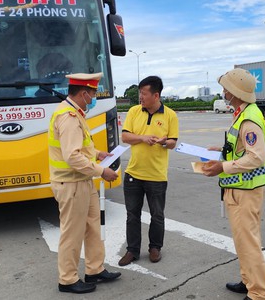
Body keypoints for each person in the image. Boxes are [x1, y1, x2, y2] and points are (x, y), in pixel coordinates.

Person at [48, 72, 121, 294]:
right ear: (84, 94)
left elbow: (81, 148)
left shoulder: (75, 112)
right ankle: (68, 279)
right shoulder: (68, 117)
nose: (94, 98)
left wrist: (97, 153)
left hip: (82, 182)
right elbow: (72, 157)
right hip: (71, 184)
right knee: (72, 233)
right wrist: (102, 171)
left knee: (92, 227)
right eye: (93, 94)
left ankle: (94, 270)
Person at [201, 68, 265, 300]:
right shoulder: (243, 113)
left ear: (235, 91)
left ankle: (258, 293)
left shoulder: (249, 119)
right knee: (243, 241)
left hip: (246, 191)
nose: (223, 92)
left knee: (248, 243)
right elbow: (239, 149)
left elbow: (256, 156)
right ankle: (248, 280)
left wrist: (222, 167)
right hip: (240, 189)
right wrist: (220, 151)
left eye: (226, 88)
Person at [118, 76, 179, 266]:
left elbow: (173, 142)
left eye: (144, 94)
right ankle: (132, 250)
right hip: (134, 173)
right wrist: (143, 138)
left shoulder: (170, 115)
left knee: (157, 215)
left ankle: (155, 248)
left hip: (157, 175)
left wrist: (164, 142)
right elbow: (125, 137)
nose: (140, 97)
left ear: (156, 95)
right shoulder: (134, 111)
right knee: (132, 215)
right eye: (140, 93)